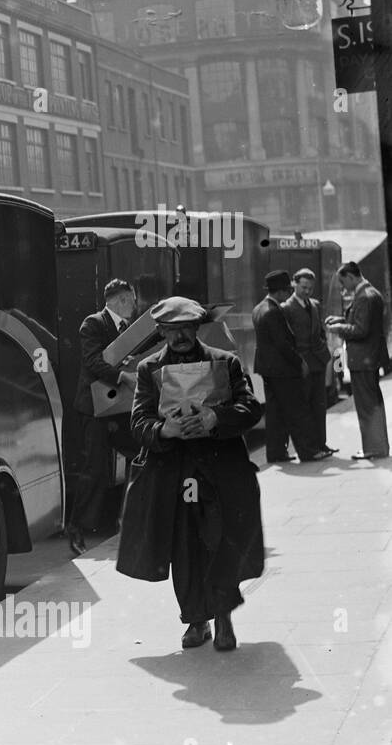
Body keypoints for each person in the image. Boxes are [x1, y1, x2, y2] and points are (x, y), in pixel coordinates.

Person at [117, 297, 265, 652]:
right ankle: (196, 621)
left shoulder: (224, 362)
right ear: (162, 331)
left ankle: (223, 617)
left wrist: (217, 418)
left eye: (186, 328)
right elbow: (138, 423)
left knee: (219, 540)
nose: (180, 336)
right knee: (184, 546)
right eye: (171, 329)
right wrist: (165, 431)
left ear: (197, 328)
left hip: (220, 473)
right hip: (175, 473)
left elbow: (250, 407)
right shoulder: (148, 370)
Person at [68, 278, 139, 556]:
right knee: (95, 470)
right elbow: (93, 362)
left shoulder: (128, 329)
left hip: (118, 408)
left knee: (141, 453)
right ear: (121, 300)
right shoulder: (93, 324)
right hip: (95, 410)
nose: (134, 306)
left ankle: (128, 518)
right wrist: (123, 376)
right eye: (132, 301)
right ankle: (76, 528)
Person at [252, 269, 325, 462]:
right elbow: (282, 344)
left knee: (274, 413)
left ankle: (276, 453)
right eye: (286, 290)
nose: (287, 294)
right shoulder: (273, 312)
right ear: (280, 291)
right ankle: (308, 451)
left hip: (267, 369)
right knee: (297, 411)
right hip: (282, 370)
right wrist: (299, 361)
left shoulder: (259, 308)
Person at [326, 261, 390, 461]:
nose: (344, 287)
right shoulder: (370, 294)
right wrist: (342, 321)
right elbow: (362, 324)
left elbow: (361, 330)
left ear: (351, 276)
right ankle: (377, 447)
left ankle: (373, 448)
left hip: (363, 359)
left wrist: (338, 329)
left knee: (366, 405)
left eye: (343, 282)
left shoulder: (364, 297)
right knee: (372, 403)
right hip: (368, 358)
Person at [282, 267, 336, 457]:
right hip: (302, 365)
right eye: (304, 287)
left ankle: (321, 444)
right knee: (304, 409)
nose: (307, 291)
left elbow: (320, 330)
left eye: (310, 288)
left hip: (318, 362)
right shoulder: (286, 308)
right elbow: (287, 340)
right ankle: (310, 448)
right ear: (294, 284)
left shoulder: (314, 305)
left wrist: (323, 351)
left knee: (319, 407)